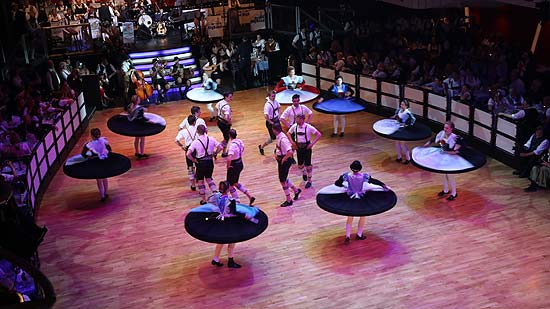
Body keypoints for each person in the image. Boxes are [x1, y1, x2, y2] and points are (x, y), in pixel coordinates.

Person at [334, 160, 388, 244]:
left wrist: (344, 186)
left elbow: (337, 183)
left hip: (351, 198)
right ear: (360, 169)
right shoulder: (364, 176)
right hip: (361, 198)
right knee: (362, 216)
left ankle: (348, 236)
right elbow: (374, 181)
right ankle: (359, 234)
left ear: (351, 168)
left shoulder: (346, 176)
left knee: (350, 217)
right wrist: (383, 185)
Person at [209, 180, 258, 269]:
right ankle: (230, 261)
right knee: (232, 242)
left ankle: (215, 258)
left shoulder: (215, 197)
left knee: (221, 240)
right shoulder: (230, 201)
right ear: (228, 190)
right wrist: (247, 216)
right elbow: (235, 212)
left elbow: (211, 205)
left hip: (220, 221)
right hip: (229, 223)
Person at [423, 121, 461, 201]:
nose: (445, 129)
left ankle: (454, 193)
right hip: (443, 156)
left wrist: (448, 152)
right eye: (444, 127)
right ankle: (446, 190)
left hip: (451, 158)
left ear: (451, 129)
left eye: (447, 128)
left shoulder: (455, 138)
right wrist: (429, 143)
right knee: (444, 174)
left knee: (450, 176)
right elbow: (435, 138)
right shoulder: (442, 134)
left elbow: (458, 151)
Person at [186, 124, 222, 204]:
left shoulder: (196, 142)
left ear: (197, 132)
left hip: (200, 163)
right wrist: (215, 153)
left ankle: (204, 200)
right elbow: (220, 147)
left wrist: (194, 160)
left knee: (200, 181)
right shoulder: (211, 139)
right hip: (209, 161)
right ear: (206, 130)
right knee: (209, 179)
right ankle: (217, 195)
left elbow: (188, 154)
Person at [287, 114, 322, 189]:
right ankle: (304, 173)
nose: (296, 120)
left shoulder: (308, 127)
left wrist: (312, 144)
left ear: (302, 119)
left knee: (308, 166)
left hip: (307, 147)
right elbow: (288, 133)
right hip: (298, 147)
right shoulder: (294, 126)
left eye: (297, 119)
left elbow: (318, 134)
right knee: (300, 165)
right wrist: (292, 142)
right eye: (296, 119)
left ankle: (309, 181)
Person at [272, 123, 301, 207]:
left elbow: (290, 152)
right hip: (281, 159)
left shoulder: (283, 139)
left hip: (284, 161)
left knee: (282, 180)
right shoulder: (279, 136)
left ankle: (289, 200)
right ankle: (296, 190)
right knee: (284, 178)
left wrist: (283, 159)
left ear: (275, 130)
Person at [226, 129, 255, 204]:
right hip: (240, 162)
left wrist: (228, 166)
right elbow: (243, 149)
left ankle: (237, 201)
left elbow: (229, 158)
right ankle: (249, 196)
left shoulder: (232, 145)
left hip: (234, 165)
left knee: (230, 184)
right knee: (235, 182)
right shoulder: (239, 141)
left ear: (229, 135)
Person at [82, 128, 112, 202]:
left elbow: (83, 154)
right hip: (104, 161)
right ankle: (105, 193)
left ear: (91, 135)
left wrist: (89, 156)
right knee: (105, 177)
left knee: (99, 180)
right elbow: (110, 150)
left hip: (96, 162)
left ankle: (102, 196)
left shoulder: (89, 144)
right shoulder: (104, 141)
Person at [175, 115, 199, 191]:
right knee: (198, 164)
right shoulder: (198, 130)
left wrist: (182, 146)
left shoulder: (184, 131)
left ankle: (193, 185)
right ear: (195, 122)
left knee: (190, 167)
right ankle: (199, 178)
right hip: (197, 148)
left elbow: (176, 140)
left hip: (188, 149)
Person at [393, 99, 416, 164]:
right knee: (397, 143)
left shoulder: (407, 112)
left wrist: (406, 124)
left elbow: (413, 120)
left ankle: (408, 158)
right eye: (401, 104)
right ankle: (399, 157)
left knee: (402, 144)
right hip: (398, 128)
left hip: (403, 129)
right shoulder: (399, 110)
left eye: (402, 104)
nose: (401, 105)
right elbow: (396, 116)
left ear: (406, 106)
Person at [258, 90, 280, 155]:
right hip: (271, 122)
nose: (274, 97)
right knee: (273, 138)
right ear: (269, 96)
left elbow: (279, 107)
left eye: (274, 96)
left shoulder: (275, 101)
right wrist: (270, 122)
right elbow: (265, 115)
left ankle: (277, 150)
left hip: (276, 120)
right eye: (272, 96)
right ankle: (262, 147)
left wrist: (279, 114)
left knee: (279, 136)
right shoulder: (267, 105)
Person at [215, 91, 233, 156]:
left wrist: (219, 115)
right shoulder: (227, 107)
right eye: (230, 97)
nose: (231, 98)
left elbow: (216, 109)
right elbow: (226, 117)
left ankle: (223, 152)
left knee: (226, 138)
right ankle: (217, 152)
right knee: (226, 139)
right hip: (225, 124)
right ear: (226, 97)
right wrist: (229, 122)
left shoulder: (220, 102)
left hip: (219, 122)